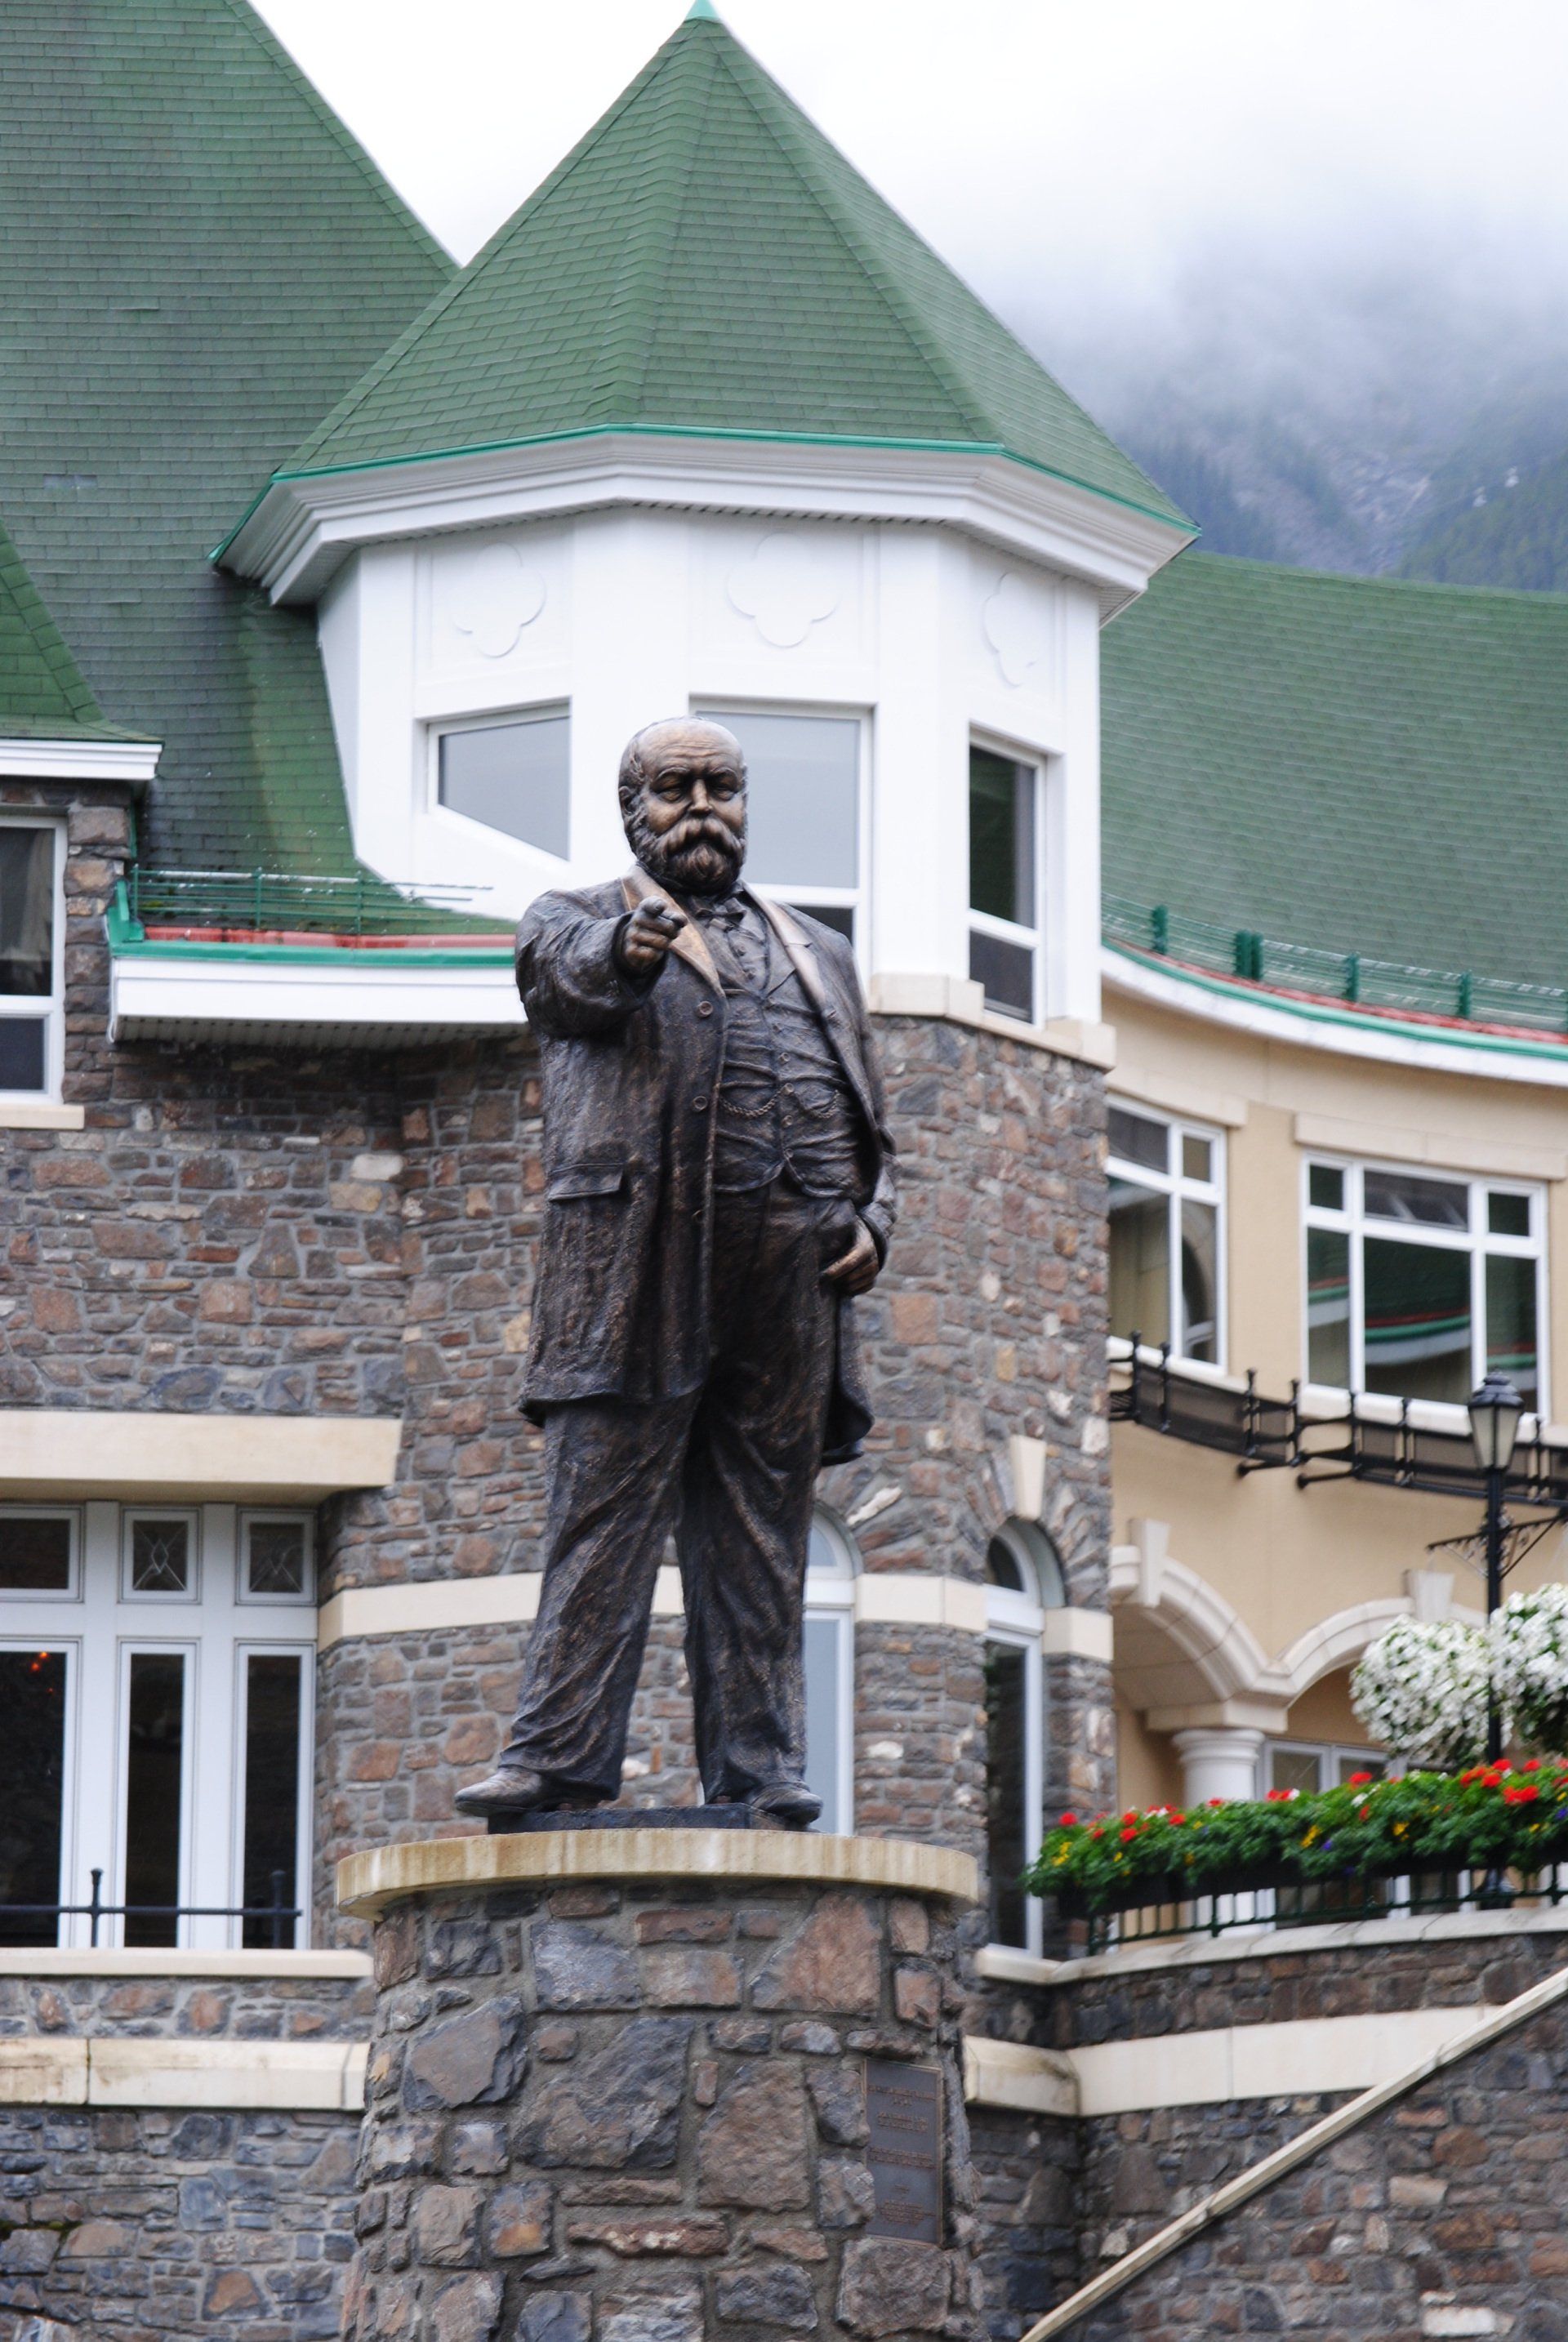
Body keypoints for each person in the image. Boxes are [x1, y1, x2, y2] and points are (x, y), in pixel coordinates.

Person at [455, 715, 895, 1826]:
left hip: (790, 1275)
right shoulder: (578, 921)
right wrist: (627, 952)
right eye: (674, 789)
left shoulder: (819, 952)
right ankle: (555, 1758)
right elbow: (564, 986)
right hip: (642, 1267)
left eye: (723, 787)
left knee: (761, 1527)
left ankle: (759, 1767)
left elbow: (872, 1120)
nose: (702, 807)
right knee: (603, 1516)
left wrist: (876, 1221)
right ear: (631, 813)